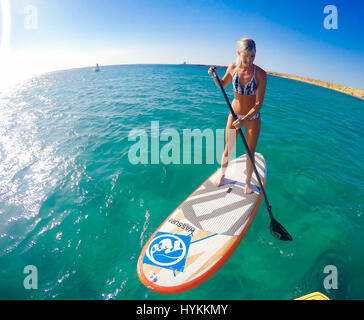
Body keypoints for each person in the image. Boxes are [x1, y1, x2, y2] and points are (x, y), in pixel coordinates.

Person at [208, 38, 267, 194]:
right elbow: (222, 84)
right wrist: (214, 76)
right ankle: (222, 174)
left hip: (252, 117)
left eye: (253, 56)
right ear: (239, 53)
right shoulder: (233, 67)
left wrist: (245, 120)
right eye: (246, 55)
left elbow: (259, 104)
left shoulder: (260, 74)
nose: (249, 60)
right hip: (234, 115)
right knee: (228, 148)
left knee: (250, 151)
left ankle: (247, 182)